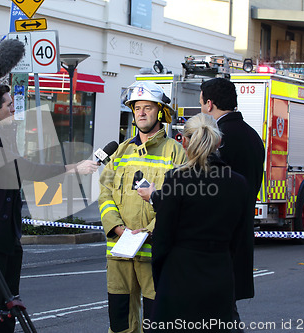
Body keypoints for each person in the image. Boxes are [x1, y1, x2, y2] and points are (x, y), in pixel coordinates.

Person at [0, 84, 98, 333]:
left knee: (9, 298)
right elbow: (26, 170)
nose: (14, 109)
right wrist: (72, 168)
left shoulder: (1, 135)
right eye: (8, 104)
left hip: (7, 231)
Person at [138, 113, 249, 332]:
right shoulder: (238, 183)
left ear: (185, 141)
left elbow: (162, 238)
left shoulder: (176, 180)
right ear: (218, 142)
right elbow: (240, 239)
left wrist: (161, 278)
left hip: (178, 276)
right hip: (219, 275)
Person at [99, 81, 186, 333]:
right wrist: (117, 228)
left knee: (156, 322)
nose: (141, 113)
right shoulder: (121, 151)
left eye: (148, 107)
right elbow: (105, 194)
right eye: (137, 108)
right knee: (120, 322)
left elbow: (178, 200)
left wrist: (148, 231)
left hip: (154, 252)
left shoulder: (175, 153)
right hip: (120, 251)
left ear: (160, 112)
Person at [199, 77, 265, 329]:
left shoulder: (218, 138)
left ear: (209, 104)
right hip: (241, 232)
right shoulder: (252, 135)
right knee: (226, 309)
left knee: (215, 313)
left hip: (216, 240)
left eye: (201, 102)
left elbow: (210, 191)